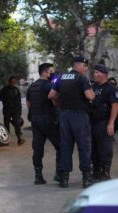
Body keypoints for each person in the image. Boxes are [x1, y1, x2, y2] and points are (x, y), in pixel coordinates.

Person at [48, 56, 95, 188]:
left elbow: (51, 95)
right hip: (79, 116)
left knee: (66, 146)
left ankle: (64, 179)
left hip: (64, 115)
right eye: (85, 66)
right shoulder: (81, 78)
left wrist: (59, 104)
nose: (86, 69)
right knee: (84, 146)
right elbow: (89, 96)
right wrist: (93, 93)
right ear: (78, 65)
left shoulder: (62, 77)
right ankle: (87, 178)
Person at [26, 63, 60, 185]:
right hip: (49, 120)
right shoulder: (49, 86)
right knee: (60, 146)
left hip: (35, 121)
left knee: (38, 149)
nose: (52, 73)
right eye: (51, 71)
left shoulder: (32, 86)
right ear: (45, 72)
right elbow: (56, 102)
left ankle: (38, 177)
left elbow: (28, 103)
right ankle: (60, 175)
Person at [90, 64, 118, 181]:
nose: (95, 74)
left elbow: (115, 106)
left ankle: (105, 173)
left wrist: (111, 123)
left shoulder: (111, 88)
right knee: (93, 148)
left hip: (104, 122)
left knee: (105, 149)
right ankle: (96, 171)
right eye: (94, 72)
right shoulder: (93, 87)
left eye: (97, 72)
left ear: (104, 74)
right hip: (92, 122)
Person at [0, 76, 25, 145]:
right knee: (6, 125)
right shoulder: (4, 89)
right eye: (11, 82)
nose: (13, 84)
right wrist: (5, 98)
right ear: (9, 82)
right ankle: (6, 140)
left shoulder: (16, 90)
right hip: (7, 109)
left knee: (17, 124)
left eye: (14, 82)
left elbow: (19, 102)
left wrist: (20, 112)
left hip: (15, 110)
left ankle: (19, 138)